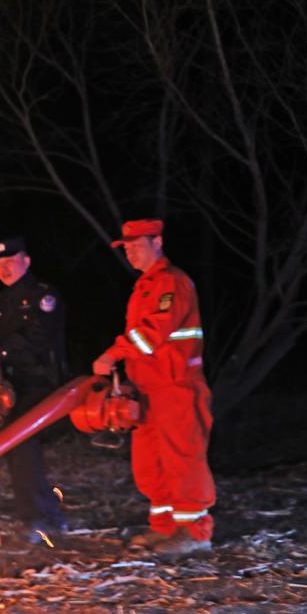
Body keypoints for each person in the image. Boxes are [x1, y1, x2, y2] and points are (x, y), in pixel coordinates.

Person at [92, 219, 214, 556]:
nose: (130, 252)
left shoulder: (171, 282)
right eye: (126, 247)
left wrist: (112, 354)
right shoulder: (145, 286)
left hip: (175, 387)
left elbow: (152, 332)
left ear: (157, 242)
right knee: (151, 462)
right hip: (146, 388)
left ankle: (195, 533)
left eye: (136, 245)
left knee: (182, 459)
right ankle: (164, 527)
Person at [0, 237, 69, 543]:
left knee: (21, 444)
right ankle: (44, 516)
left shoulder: (43, 296)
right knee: (14, 450)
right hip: (10, 388)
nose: (4, 269)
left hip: (42, 384)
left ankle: (40, 520)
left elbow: (39, 334)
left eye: (10, 262)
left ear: (26, 262)